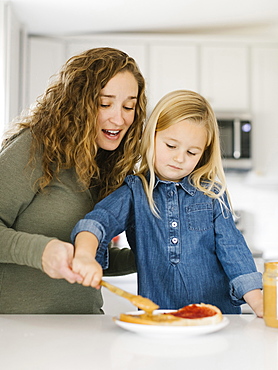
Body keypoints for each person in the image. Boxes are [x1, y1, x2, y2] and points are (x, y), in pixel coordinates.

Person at [71, 90, 263, 316]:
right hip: (159, 321)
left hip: (217, 320)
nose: (179, 158)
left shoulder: (212, 194)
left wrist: (259, 304)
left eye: (191, 152)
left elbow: (234, 252)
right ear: (151, 136)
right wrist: (84, 255)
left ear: (203, 154)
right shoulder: (135, 192)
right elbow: (98, 221)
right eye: (171, 146)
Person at [0, 47, 147, 314]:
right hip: (18, 332)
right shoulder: (34, 149)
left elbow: (87, 259)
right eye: (105, 103)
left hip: (85, 326)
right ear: (78, 103)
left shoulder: (109, 164)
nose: (120, 117)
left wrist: (145, 257)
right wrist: (40, 251)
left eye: (129, 106)